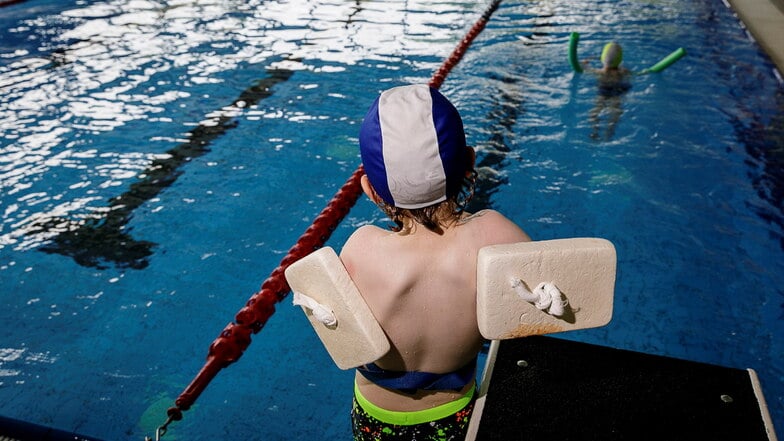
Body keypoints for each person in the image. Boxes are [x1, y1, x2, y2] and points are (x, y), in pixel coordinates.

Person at [339, 84, 531, 440]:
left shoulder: (360, 248)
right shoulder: (496, 235)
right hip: (454, 417)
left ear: (370, 190)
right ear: (471, 162)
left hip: (373, 418)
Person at [581, 42, 632, 141]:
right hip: (617, 92)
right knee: (615, 113)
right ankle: (609, 132)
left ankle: (595, 131)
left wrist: (584, 63)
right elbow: (631, 76)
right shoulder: (623, 71)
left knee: (594, 112)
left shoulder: (600, 72)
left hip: (603, 92)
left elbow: (584, 69)